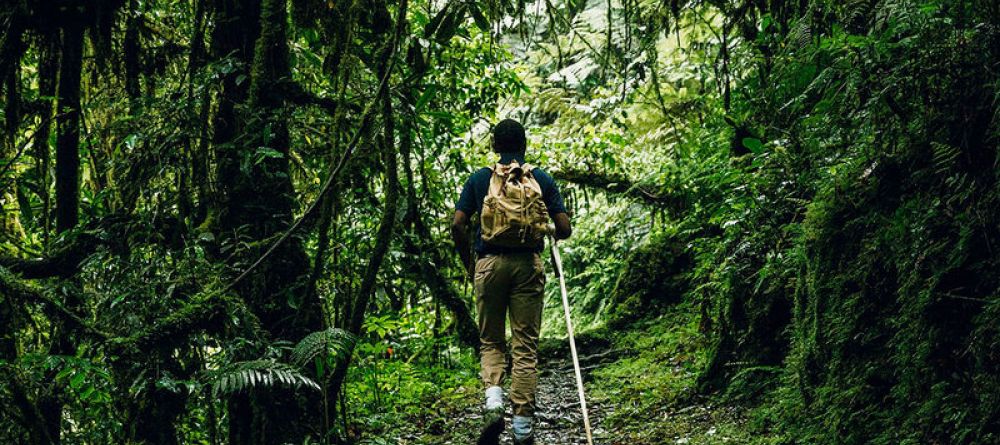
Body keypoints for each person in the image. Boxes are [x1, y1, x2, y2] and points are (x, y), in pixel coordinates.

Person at [452, 119, 572, 445]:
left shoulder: (479, 179)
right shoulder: (541, 179)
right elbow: (564, 228)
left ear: (494, 146)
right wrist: (545, 228)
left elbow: (458, 224)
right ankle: (522, 430)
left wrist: (470, 263)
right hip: (528, 267)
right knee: (525, 347)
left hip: (488, 264)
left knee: (491, 341)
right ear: (525, 145)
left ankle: (494, 402)